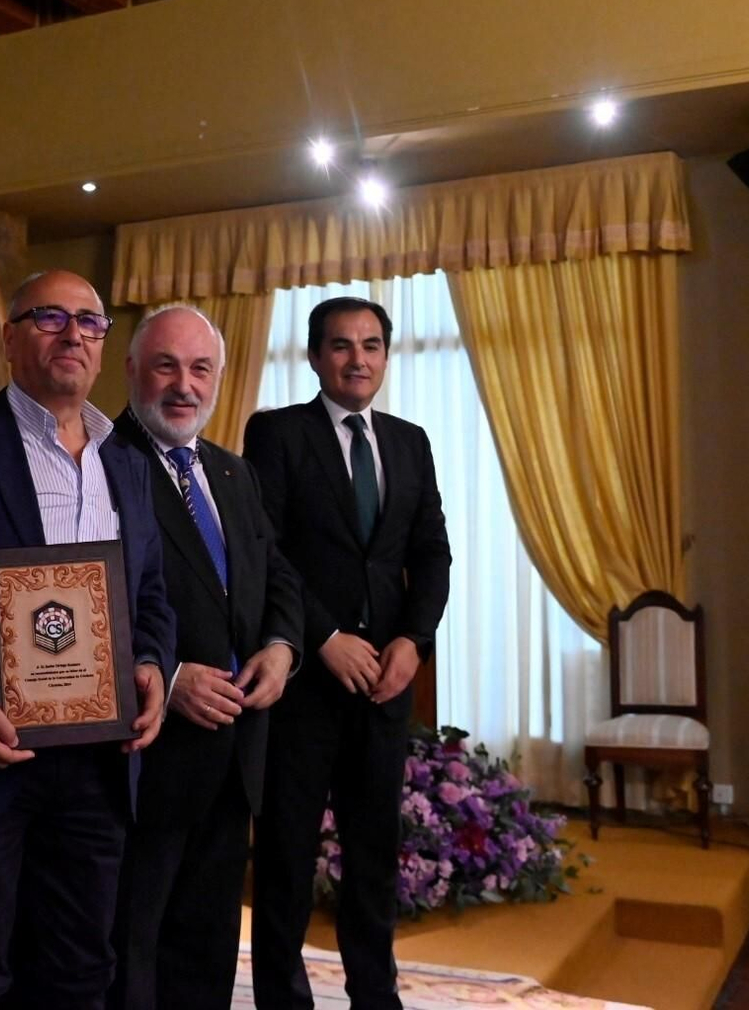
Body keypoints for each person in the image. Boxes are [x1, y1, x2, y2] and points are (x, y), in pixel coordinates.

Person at [0, 269, 177, 1010]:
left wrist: (151, 663)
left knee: (80, 966)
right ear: (10, 336)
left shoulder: (129, 459)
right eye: (50, 316)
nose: (73, 334)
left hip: (99, 758)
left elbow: (148, 591)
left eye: (90, 322)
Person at [244, 296, 451, 1010]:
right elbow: (265, 549)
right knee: (286, 857)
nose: (357, 358)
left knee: (372, 860)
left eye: (370, 345)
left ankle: (376, 995)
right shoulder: (276, 434)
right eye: (340, 345)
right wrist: (323, 636)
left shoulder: (410, 440)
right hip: (303, 682)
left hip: (385, 687)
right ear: (313, 355)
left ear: (386, 356)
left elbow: (430, 554)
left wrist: (412, 641)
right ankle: (282, 998)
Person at [108, 305, 304, 1010]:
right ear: (130, 369)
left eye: (200, 368)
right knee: (133, 945)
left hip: (235, 754)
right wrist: (172, 673)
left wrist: (282, 648)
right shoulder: (102, 463)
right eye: (166, 365)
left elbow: (275, 571)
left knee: (210, 942)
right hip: (149, 757)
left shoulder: (231, 471)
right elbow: (88, 605)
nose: (183, 385)